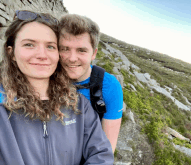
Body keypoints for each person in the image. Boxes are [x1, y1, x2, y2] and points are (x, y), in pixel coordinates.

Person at [0, 10, 113, 165]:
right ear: (11, 52)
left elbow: (101, 155)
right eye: (29, 44)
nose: (42, 54)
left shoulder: (78, 105)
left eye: (50, 46)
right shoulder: (2, 106)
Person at [59, 14, 123, 152]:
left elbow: (107, 149)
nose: (72, 58)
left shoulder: (109, 86)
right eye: (65, 49)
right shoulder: (45, 76)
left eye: (81, 50)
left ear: (93, 54)